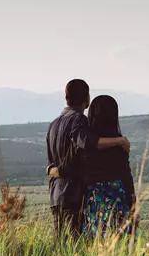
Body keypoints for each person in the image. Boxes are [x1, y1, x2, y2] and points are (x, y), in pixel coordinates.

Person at [46, 79, 130, 238]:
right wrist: (120, 141)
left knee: (62, 248)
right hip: (74, 195)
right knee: (77, 248)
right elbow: (87, 142)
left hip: (56, 196)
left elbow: (50, 166)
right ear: (87, 98)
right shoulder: (79, 120)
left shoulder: (53, 125)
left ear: (66, 97)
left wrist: (54, 171)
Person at [80, 95, 137, 237]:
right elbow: (126, 175)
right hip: (118, 200)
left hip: (94, 203)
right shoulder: (120, 145)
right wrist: (133, 204)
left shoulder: (86, 144)